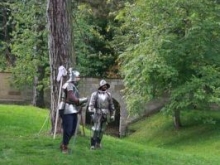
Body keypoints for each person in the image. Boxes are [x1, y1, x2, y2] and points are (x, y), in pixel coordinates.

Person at [59, 68, 88, 154]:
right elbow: (71, 98)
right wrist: (81, 100)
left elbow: (74, 100)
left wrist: (79, 104)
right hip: (66, 108)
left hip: (72, 109)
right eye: (77, 77)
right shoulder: (69, 85)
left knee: (72, 129)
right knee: (68, 129)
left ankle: (64, 143)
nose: (78, 78)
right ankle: (64, 146)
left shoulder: (73, 86)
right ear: (74, 77)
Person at [88, 79, 115, 150]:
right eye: (104, 85)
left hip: (106, 113)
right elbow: (91, 104)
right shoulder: (95, 94)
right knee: (96, 129)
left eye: (106, 85)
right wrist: (91, 110)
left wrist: (112, 114)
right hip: (97, 113)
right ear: (101, 86)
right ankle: (92, 144)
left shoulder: (108, 95)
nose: (105, 86)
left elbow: (111, 105)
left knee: (102, 130)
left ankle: (98, 143)